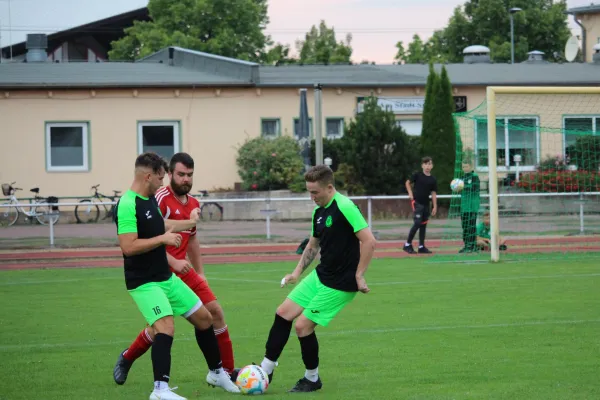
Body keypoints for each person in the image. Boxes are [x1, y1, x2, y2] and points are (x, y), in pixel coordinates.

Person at [114, 152, 239, 400]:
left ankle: (217, 372)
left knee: (205, 318)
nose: (162, 183)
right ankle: (160, 390)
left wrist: (189, 223)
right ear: (148, 176)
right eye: (160, 178)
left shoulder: (149, 198)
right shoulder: (127, 203)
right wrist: (163, 239)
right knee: (165, 327)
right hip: (144, 282)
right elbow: (128, 247)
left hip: (165, 278)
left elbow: (162, 225)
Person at [258, 164, 377, 393]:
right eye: (309, 192)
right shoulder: (319, 211)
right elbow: (313, 245)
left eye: (315, 192)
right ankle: (266, 369)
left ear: (329, 187)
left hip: (341, 283)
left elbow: (369, 241)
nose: (311, 197)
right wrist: (295, 273)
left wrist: (359, 275)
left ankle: (312, 378)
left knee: (302, 326)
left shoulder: (345, 206)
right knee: (283, 313)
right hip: (321, 275)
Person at [403, 156, 438, 254]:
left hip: (426, 204)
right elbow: (407, 183)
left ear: (432, 166)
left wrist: (435, 206)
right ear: (422, 165)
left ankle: (421, 246)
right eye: (426, 164)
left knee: (423, 224)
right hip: (417, 203)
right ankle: (407, 245)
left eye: (429, 164)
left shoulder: (433, 179)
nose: (427, 166)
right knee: (417, 223)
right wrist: (410, 193)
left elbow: (434, 193)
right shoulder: (417, 175)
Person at [459, 160, 481, 253]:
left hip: (472, 206)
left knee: (471, 226)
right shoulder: (462, 178)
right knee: (465, 227)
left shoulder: (475, 177)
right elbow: (460, 190)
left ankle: (472, 246)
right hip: (464, 206)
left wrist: (463, 186)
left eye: (467, 166)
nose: (465, 168)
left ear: (471, 167)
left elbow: (475, 188)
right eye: (463, 167)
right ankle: (466, 245)